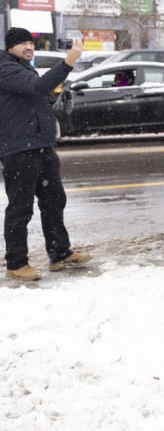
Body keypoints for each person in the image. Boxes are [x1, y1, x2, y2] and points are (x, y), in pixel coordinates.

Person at [1, 28, 91, 282]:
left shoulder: (23, 67)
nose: (29, 47)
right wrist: (68, 61)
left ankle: (59, 253)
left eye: (31, 43)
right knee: (21, 208)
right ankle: (16, 263)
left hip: (41, 145)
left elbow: (38, 94)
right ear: (10, 47)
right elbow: (37, 86)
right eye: (22, 44)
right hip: (19, 149)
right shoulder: (6, 68)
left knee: (54, 201)